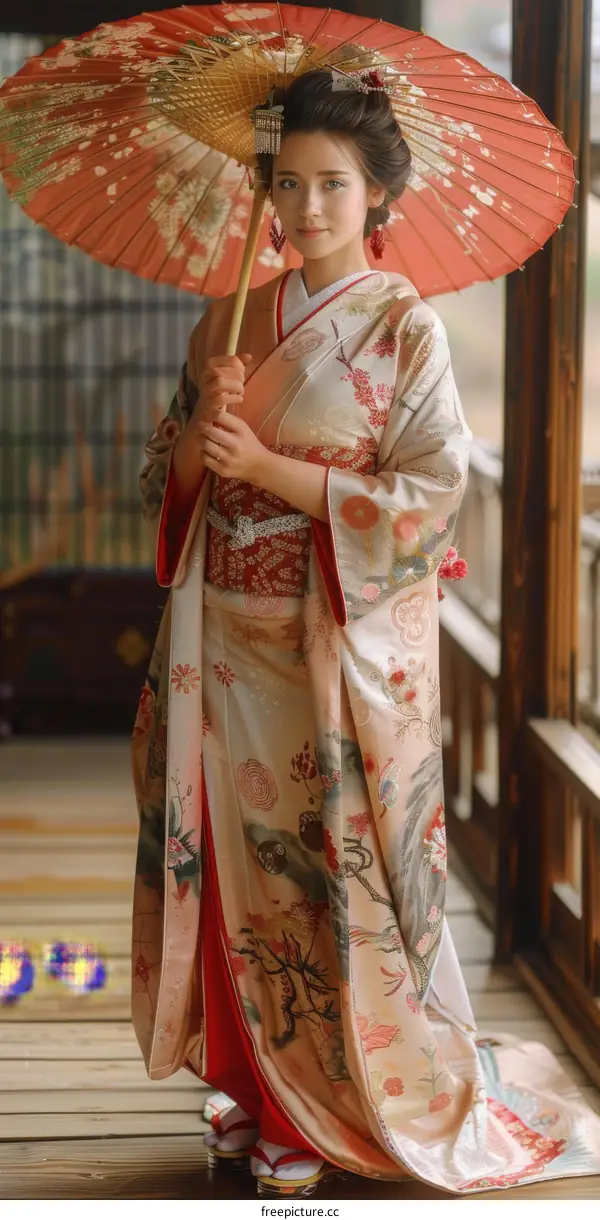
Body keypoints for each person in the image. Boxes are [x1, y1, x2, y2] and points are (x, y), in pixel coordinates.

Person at [131, 69, 600, 1198]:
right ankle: (253, 1081)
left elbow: (426, 501)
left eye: (333, 184)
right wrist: (202, 434)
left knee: (328, 879)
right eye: (287, 183)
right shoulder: (227, 321)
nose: (306, 208)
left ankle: (331, 1099)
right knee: (238, 867)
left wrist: (272, 468)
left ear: (378, 192)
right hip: (224, 649)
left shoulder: (406, 331)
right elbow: (166, 475)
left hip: (333, 654)